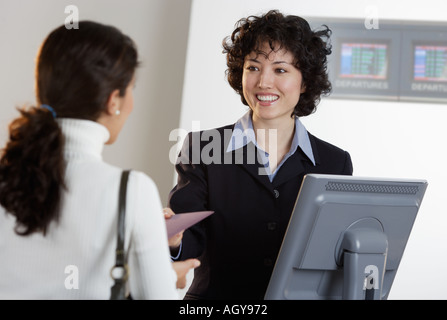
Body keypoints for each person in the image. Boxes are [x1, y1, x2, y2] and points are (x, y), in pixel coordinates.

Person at [0, 20, 199, 300]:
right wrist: (166, 277)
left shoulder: (7, 172)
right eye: (131, 88)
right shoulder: (131, 189)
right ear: (112, 100)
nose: (132, 103)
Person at [168, 10, 353, 300]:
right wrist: (174, 239)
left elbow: (333, 254)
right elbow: (189, 233)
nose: (264, 82)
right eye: (253, 67)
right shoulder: (203, 147)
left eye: (280, 70)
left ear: (304, 82)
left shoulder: (334, 162)